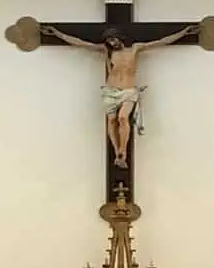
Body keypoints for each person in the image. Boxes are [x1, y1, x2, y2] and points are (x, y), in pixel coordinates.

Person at [41, 23, 201, 168]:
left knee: (123, 118)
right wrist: (57, 34)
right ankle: (118, 152)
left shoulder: (135, 49)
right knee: (111, 121)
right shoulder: (106, 52)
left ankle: (123, 150)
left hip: (128, 90)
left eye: (113, 39)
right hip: (111, 91)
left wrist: (183, 33)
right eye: (109, 41)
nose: (112, 43)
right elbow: (81, 43)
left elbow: (161, 41)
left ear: (120, 38)